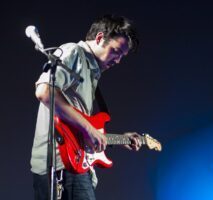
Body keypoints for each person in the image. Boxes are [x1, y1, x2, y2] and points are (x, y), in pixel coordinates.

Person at [30, 15, 141, 200]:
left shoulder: (91, 71)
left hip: (73, 164)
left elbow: (80, 127)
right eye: (116, 51)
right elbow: (44, 91)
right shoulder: (74, 52)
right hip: (62, 165)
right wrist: (89, 128)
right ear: (99, 38)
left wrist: (120, 139)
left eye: (122, 56)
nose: (118, 60)